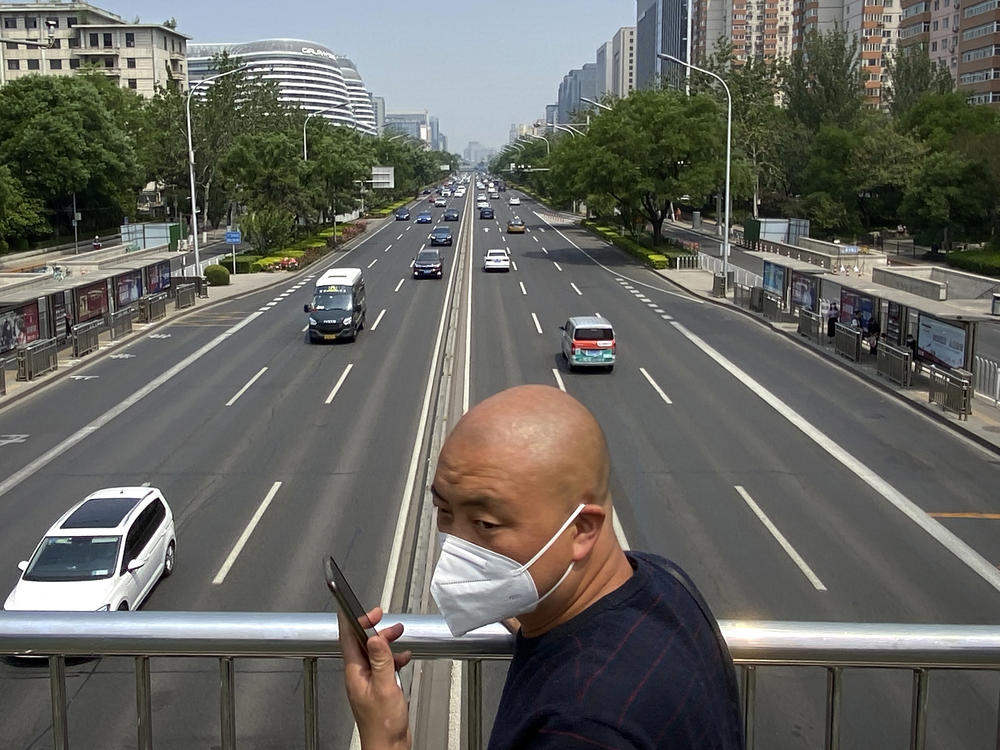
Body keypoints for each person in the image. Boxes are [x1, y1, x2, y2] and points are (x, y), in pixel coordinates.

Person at [341, 386, 744, 750]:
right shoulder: (664, 582)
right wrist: (503, 603)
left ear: (582, 529)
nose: (456, 546)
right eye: (443, 511)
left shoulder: (582, 728)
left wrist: (386, 739)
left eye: (486, 525)